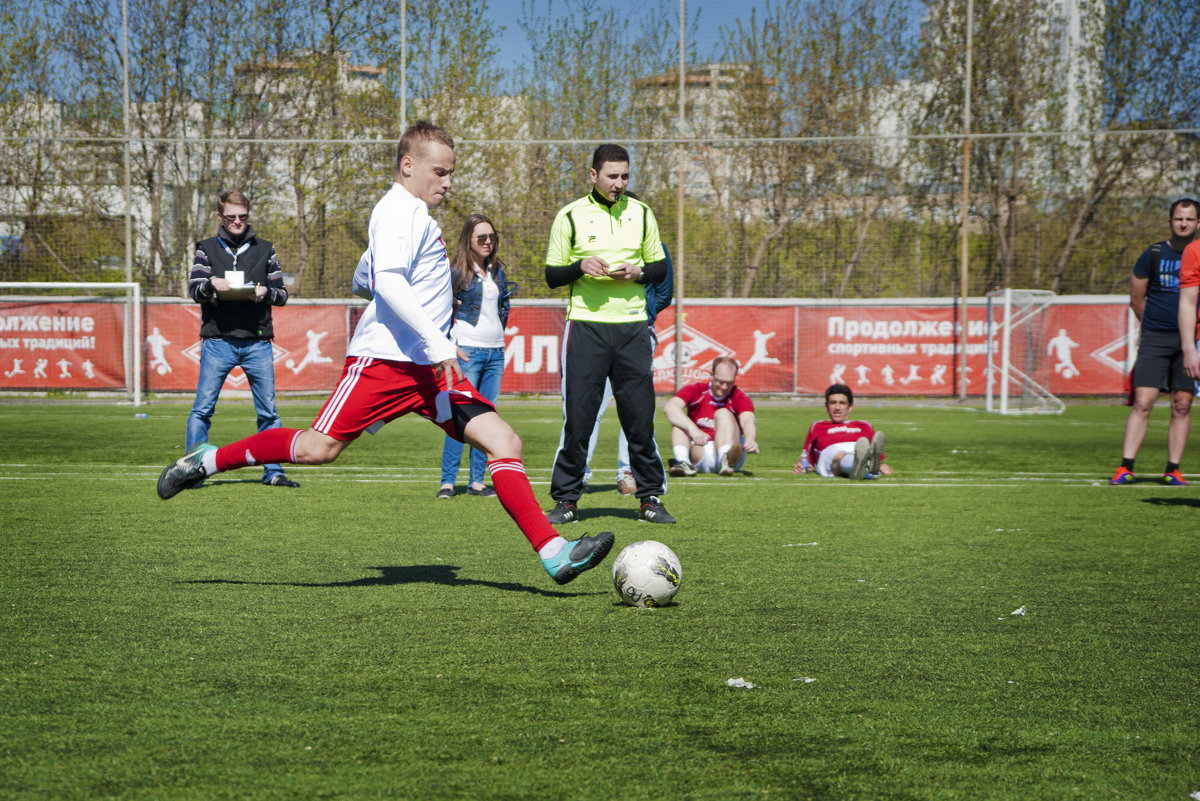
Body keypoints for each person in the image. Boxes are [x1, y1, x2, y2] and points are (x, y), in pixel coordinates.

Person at [158, 121, 613, 586]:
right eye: (440, 171)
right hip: (386, 364)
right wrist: (437, 340)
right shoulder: (397, 211)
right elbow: (389, 282)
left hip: (428, 372)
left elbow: (368, 278)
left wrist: (427, 311)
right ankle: (208, 461)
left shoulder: (412, 215)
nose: (448, 182)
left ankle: (554, 553)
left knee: (505, 442)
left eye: (451, 172)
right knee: (318, 449)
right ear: (408, 165)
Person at [543, 144, 674, 525]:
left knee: (639, 420)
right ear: (593, 175)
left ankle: (650, 498)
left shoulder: (643, 213)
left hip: (633, 329)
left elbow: (660, 267)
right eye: (612, 176)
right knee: (579, 419)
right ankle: (567, 500)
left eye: (625, 176)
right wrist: (580, 265)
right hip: (585, 327)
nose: (619, 183)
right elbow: (552, 275)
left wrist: (639, 272)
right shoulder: (569, 216)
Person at [185, 189, 298, 489]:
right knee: (202, 410)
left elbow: (282, 294)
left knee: (269, 413)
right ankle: (192, 471)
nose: (237, 222)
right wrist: (211, 284)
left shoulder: (266, 249)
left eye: (243, 217)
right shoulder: (206, 248)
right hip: (218, 342)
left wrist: (265, 292)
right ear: (220, 217)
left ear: (248, 216)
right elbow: (194, 289)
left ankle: (274, 471)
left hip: (257, 342)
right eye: (231, 217)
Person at [1112, 194, 1199, 485]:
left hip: (1191, 341)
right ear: (1170, 221)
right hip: (1155, 339)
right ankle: (1126, 467)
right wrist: (1152, 328)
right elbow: (1137, 300)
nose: (1183, 223)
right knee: (1143, 401)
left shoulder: (1199, 253)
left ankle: (1173, 469)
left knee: (1182, 404)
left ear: (1198, 222)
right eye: (1178, 218)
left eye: (1189, 219)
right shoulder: (1154, 253)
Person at [582, 238, 674, 495]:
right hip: (596, 332)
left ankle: (627, 471)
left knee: (635, 409)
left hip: (638, 333)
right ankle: (580, 472)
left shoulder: (655, 246)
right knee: (590, 406)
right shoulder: (595, 241)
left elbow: (664, 291)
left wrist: (646, 313)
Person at [436, 214, 514, 499]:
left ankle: (477, 481)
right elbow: (441, 310)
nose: (488, 242)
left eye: (492, 237)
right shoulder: (456, 270)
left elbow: (502, 309)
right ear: (469, 239)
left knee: (487, 419)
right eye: (481, 237)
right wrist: (447, 346)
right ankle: (447, 481)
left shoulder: (497, 270)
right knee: (459, 418)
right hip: (467, 353)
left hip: (496, 353)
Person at [663, 356, 758, 475]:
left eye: (729, 383)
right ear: (711, 375)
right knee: (678, 421)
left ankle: (726, 460)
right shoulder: (696, 390)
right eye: (720, 381)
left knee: (722, 413)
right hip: (700, 450)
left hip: (730, 448)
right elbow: (670, 408)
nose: (724, 387)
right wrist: (694, 430)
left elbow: (747, 420)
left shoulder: (739, 396)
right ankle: (684, 462)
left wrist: (750, 439)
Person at [793, 384, 891, 480]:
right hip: (831, 455)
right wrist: (803, 466)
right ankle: (860, 465)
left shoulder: (865, 426)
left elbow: (877, 456)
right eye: (833, 403)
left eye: (842, 403)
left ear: (850, 407)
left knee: (861, 450)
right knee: (841, 455)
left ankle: (861, 466)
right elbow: (806, 457)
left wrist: (882, 466)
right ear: (826, 407)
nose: (837, 407)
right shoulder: (818, 426)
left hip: (857, 448)